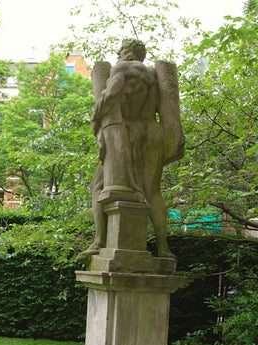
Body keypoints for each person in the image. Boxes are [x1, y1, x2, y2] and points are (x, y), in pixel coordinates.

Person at [78, 39, 184, 263]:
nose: (117, 52)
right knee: (152, 191)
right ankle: (164, 249)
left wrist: (95, 119)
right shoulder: (153, 76)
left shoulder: (121, 68)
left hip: (126, 132)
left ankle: (98, 242)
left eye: (120, 49)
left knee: (98, 186)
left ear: (127, 52)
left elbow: (112, 94)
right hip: (153, 132)